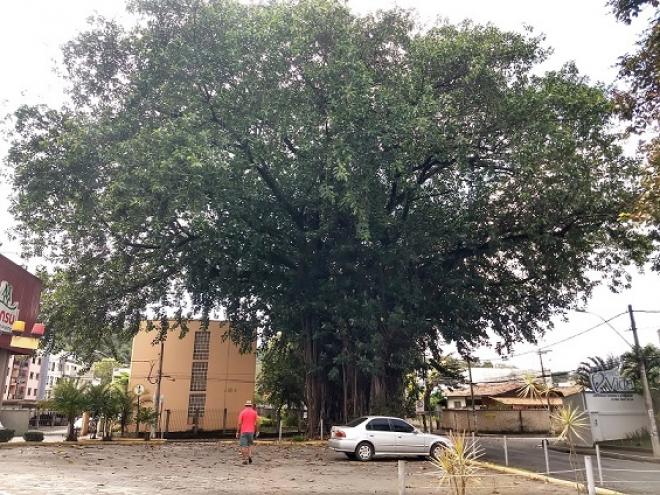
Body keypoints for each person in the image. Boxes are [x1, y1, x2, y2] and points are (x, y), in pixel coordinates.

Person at [236, 399, 259, 465]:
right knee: (250, 444)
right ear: (251, 405)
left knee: (243, 446)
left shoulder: (242, 412)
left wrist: (237, 432)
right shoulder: (255, 412)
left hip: (243, 431)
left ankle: (245, 459)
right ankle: (250, 456)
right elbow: (256, 423)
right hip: (251, 431)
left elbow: (239, 423)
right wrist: (257, 431)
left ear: (245, 405)